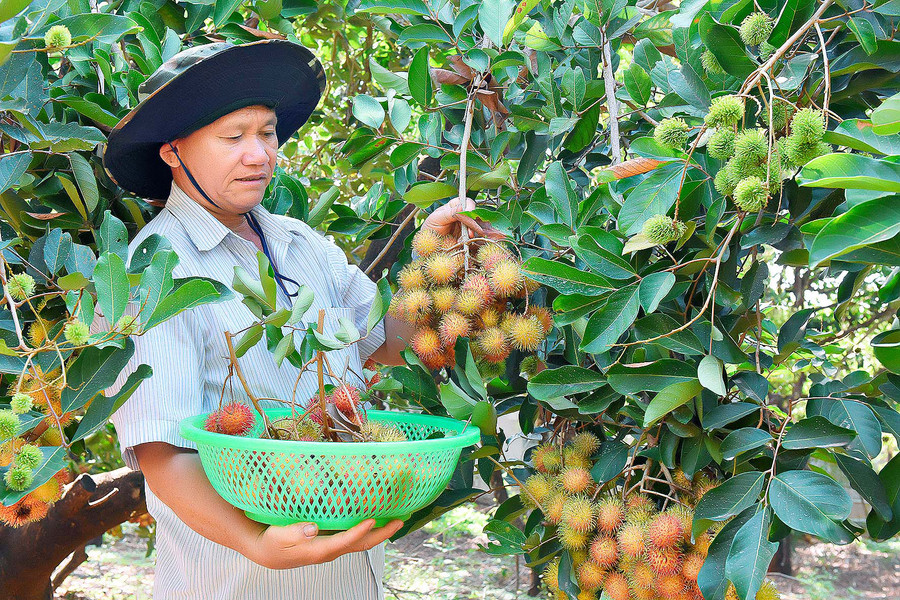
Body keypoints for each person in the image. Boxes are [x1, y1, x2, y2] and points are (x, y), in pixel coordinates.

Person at [98, 40, 495, 600]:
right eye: (233, 137)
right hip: (236, 581)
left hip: (351, 575)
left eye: (266, 133)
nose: (259, 155)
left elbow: (383, 341)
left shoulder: (300, 243)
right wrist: (256, 542)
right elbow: (163, 455)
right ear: (172, 151)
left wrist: (434, 259)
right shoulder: (152, 270)